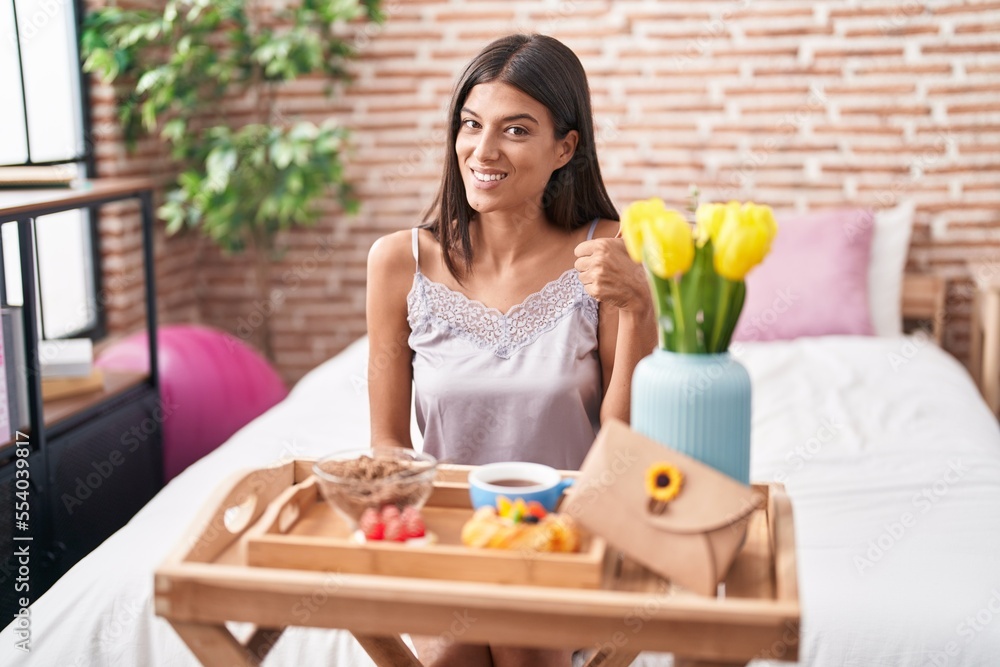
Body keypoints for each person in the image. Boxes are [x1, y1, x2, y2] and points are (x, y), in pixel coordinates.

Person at [366, 33, 656, 667]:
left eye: (516, 130)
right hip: (451, 542)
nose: (484, 150)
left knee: (522, 635)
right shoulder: (398, 262)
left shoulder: (608, 255)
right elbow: (388, 443)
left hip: (570, 540)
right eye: (471, 125)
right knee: (458, 648)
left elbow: (625, 435)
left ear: (565, 147)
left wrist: (640, 305)